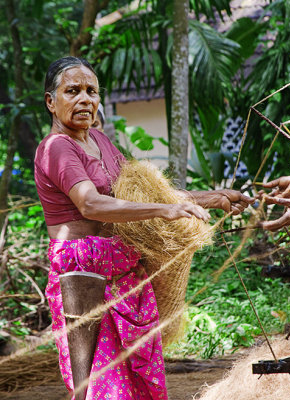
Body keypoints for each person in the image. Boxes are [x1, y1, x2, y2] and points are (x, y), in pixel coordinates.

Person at [34, 56, 254, 400]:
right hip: (85, 279)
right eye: (72, 90)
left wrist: (215, 197)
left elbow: (147, 195)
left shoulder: (100, 141)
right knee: (102, 387)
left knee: (140, 384)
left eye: (92, 91)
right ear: (51, 101)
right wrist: (167, 210)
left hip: (125, 276)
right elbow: (91, 204)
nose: (85, 99)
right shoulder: (56, 148)